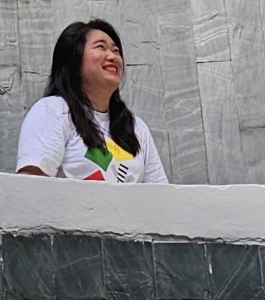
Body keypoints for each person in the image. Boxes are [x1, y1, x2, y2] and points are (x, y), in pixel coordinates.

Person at [16, 18, 168, 182]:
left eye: (116, 51)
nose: (112, 56)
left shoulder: (137, 128)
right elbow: (31, 185)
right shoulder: (52, 110)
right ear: (74, 59)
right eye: (101, 47)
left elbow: (159, 194)